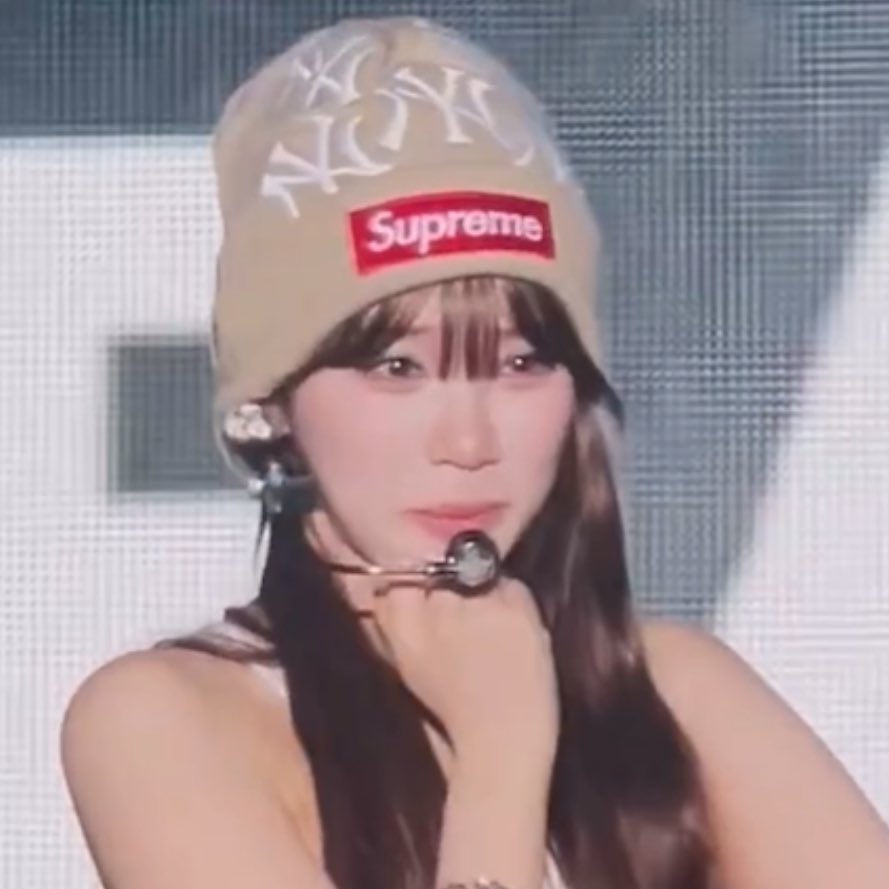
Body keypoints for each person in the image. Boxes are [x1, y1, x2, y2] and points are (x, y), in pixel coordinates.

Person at [59, 16, 889, 889]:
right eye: (397, 368)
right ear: (271, 402)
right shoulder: (166, 721)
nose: (468, 441)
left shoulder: (678, 692)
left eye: (522, 364)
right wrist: (501, 749)